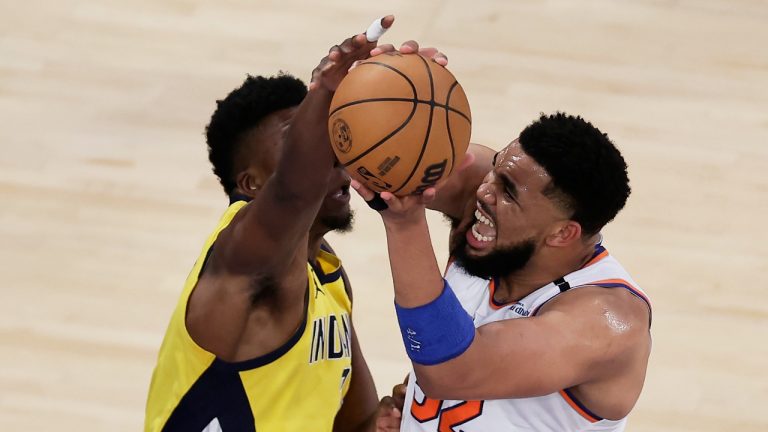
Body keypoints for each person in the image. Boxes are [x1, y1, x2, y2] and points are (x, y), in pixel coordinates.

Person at [144, 17, 394, 432]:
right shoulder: (238, 256)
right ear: (251, 184)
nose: (332, 155)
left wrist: (388, 420)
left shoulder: (330, 280)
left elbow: (356, 424)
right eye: (302, 140)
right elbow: (295, 192)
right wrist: (325, 92)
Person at [356, 112, 652, 431]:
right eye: (495, 169)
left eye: (508, 192)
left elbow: (449, 372)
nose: (484, 191)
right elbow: (379, 156)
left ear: (562, 233)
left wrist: (405, 225)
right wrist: (359, 82)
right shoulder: (490, 204)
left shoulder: (606, 325)